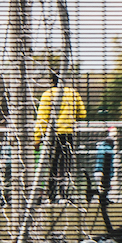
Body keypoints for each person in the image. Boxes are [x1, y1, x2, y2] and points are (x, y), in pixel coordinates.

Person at [33, 73, 86, 201]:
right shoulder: (73, 93)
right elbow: (82, 113)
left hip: (53, 135)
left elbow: (42, 118)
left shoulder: (48, 95)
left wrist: (37, 138)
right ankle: (64, 193)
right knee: (65, 165)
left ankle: (51, 194)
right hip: (68, 133)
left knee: (52, 164)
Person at [93, 128, 117, 202]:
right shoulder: (109, 151)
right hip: (104, 172)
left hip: (97, 171)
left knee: (101, 188)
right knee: (105, 188)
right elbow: (109, 164)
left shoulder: (100, 147)